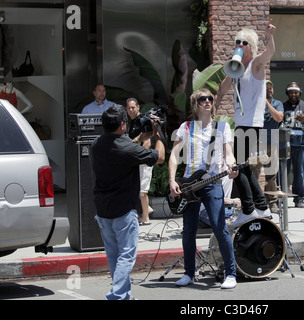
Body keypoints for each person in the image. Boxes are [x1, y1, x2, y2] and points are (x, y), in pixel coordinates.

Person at [90, 104, 165, 300]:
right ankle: (116, 295)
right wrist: (158, 134)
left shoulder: (96, 144)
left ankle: (124, 295)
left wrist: (140, 138)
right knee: (126, 256)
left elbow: (125, 148)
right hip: (123, 210)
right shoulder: (126, 148)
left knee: (114, 255)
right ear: (123, 125)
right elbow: (160, 157)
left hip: (103, 209)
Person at [168, 89, 238, 289]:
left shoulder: (222, 127)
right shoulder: (186, 127)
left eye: (210, 99)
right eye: (202, 99)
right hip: (190, 185)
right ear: (195, 103)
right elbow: (174, 154)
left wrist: (232, 167)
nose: (207, 102)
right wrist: (173, 180)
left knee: (219, 227)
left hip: (212, 183)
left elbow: (229, 154)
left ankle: (230, 274)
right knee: (188, 231)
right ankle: (189, 273)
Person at [216, 22, 276, 228]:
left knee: (238, 168)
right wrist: (233, 67)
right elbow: (222, 90)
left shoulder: (255, 65)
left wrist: (269, 36)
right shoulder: (239, 68)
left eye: (244, 43)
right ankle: (261, 207)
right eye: (237, 42)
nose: (240, 45)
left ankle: (249, 210)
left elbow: (269, 53)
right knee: (244, 168)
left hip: (251, 124)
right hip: (242, 124)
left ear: (252, 45)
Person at [250, 80, 284, 213]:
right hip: (256, 144)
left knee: (271, 174)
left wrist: (267, 103)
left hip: (272, 143)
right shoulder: (254, 103)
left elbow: (279, 117)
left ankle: (272, 203)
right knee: (254, 173)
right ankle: (254, 201)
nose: (268, 90)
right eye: (265, 88)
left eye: (270, 88)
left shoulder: (278, 104)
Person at [281, 82, 304, 208]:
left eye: (295, 92)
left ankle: (299, 199)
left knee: (299, 172)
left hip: (301, 144)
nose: (293, 94)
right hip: (285, 144)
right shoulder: (282, 106)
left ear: (299, 93)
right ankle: (282, 199)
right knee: (283, 171)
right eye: (291, 92)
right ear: (287, 93)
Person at [126, 97, 154, 225]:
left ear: (138, 107)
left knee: (143, 190)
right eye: (129, 108)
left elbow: (147, 142)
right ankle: (146, 209)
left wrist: (140, 158)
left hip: (143, 160)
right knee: (137, 189)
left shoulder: (143, 121)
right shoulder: (130, 122)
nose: (131, 110)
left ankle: (146, 217)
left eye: (133, 107)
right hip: (134, 161)